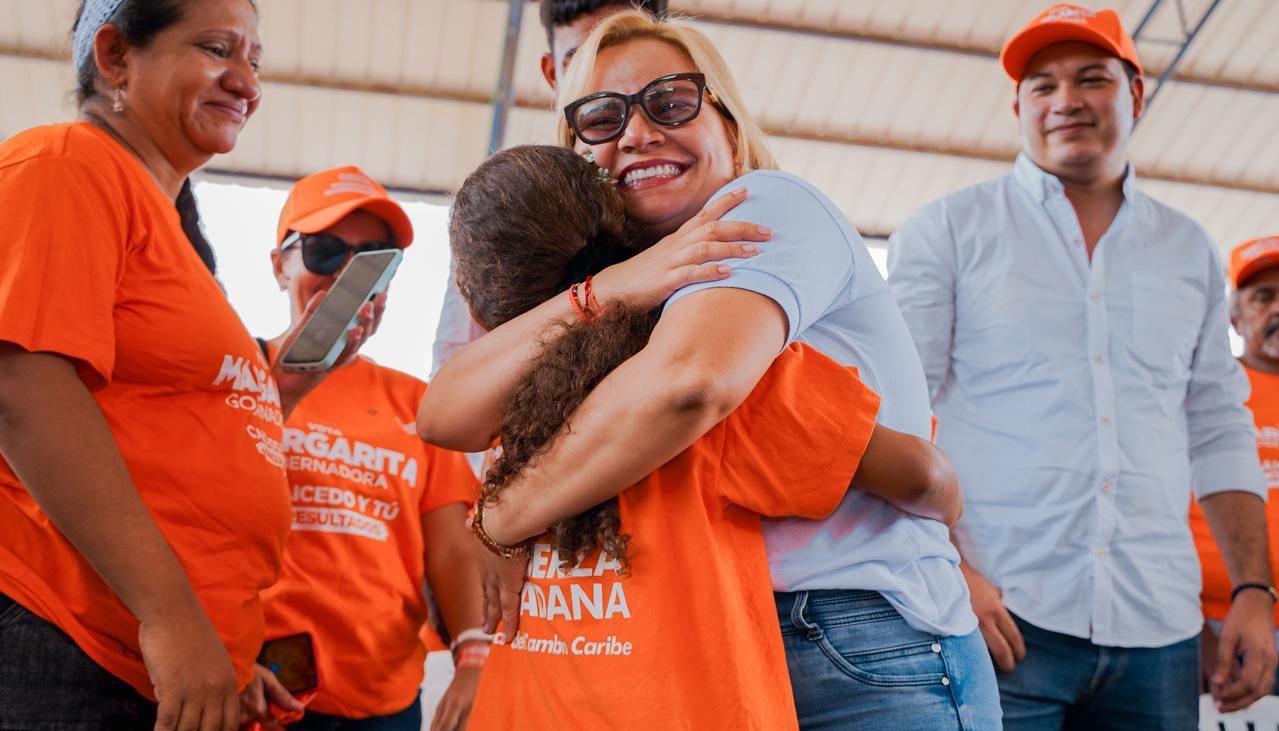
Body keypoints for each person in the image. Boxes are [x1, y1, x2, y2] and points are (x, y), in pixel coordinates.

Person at [419, 12, 1001, 729]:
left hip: (859, 637)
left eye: (670, 102)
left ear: (728, 124)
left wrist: (503, 516)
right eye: (601, 119)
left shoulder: (761, 205)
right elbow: (443, 411)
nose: (635, 132)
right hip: (730, 636)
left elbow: (689, 386)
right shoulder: (616, 315)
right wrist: (609, 289)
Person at [887, 4, 1276, 728]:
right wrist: (944, 568)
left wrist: (1255, 589)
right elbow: (890, 414)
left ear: (1134, 95)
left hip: (1158, 628)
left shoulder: (1186, 250)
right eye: (1042, 85)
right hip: (1002, 619)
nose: (1065, 100)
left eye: (1091, 78)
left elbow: (1219, 428)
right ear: (1017, 108)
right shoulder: (948, 231)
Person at [0, 2, 376, 729]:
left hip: (150, 666)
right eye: (216, 49)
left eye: (255, 61)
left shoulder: (174, 242)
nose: (246, 82)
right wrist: (171, 621)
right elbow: (26, 388)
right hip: (67, 648)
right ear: (114, 58)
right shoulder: (64, 165)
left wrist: (225, 655)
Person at [250, 167, 486, 730]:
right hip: (253, 689)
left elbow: (451, 549)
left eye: (373, 259)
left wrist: (475, 658)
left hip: (384, 703)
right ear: (279, 266)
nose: (347, 277)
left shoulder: (421, 404)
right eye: (325, 251)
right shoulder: (237, 377)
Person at [430, 0, 659, 380]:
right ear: (553, 72)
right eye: (581, 56)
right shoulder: (505, 208)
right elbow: (453, 375)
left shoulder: (687, 197)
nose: (604, 75)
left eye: (623, 47)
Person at [1191, 234, 1279, 697]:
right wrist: (1189, 623)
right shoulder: (1203, 395)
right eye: (1264, 297)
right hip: (1205, 629)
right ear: (1233, 315)